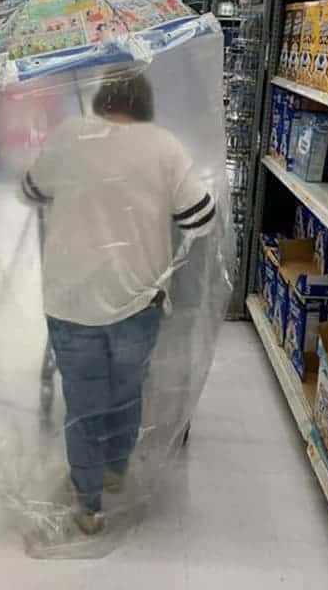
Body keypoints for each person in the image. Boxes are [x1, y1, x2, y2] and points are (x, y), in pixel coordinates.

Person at [22, 67, 216, 535]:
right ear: (145, 102)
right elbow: (201, 217)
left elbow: (31, 189)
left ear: (102, 98)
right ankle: (115, 467)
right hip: (137, 298)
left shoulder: (68, 136)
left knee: (83, 400)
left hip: (71, 299)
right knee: (126, 392)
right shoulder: (164, 146)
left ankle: (88, 503)